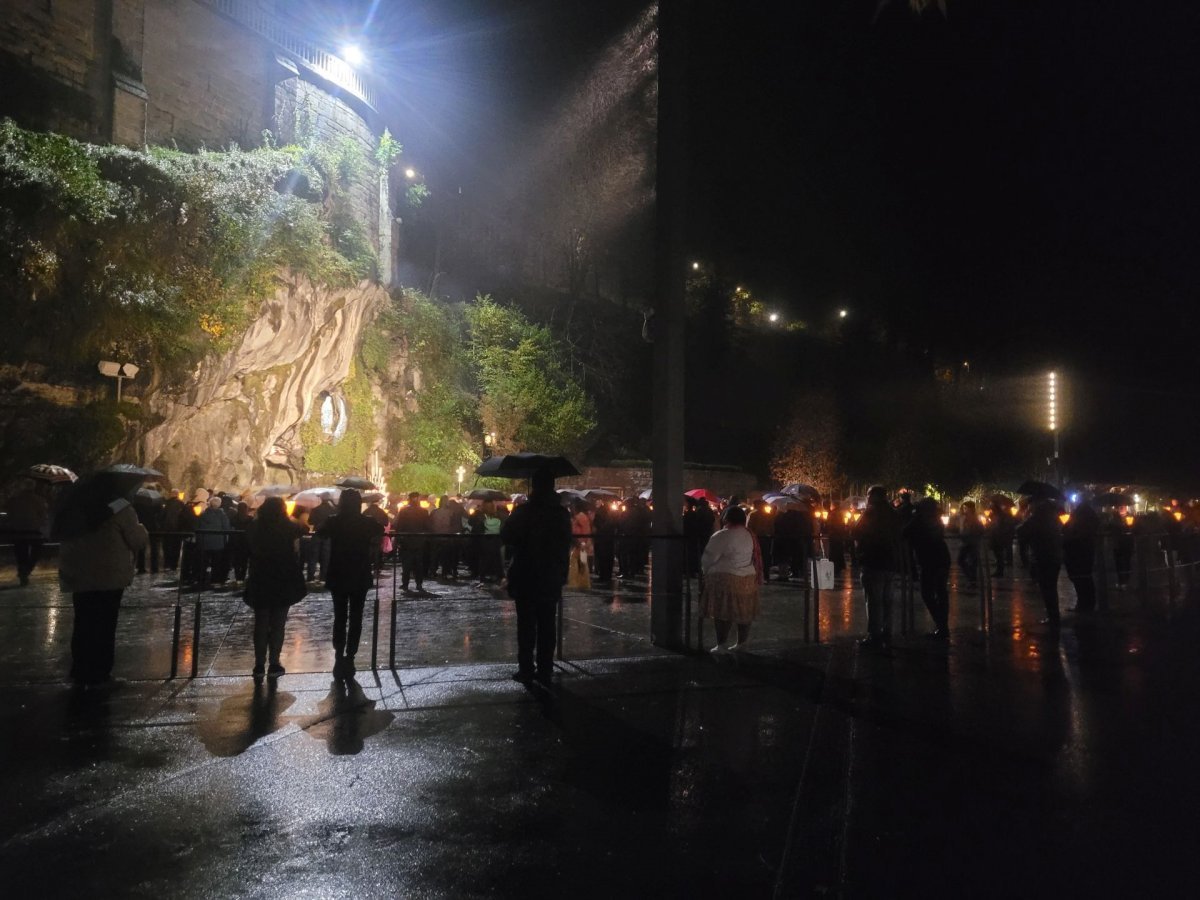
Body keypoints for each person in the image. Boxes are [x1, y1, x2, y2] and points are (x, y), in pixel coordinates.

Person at [55, 473, 149, 685]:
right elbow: (137, 540)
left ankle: (80, 669)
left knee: (83, 623)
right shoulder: (119, 509)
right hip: (108, 576)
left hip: (78, 575)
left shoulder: (73, 510)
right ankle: (101, 672)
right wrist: (142, 528)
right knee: (105, 625)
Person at [501, 469, 572, 686]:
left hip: (526, 573)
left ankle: (526, 668)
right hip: (551, 574)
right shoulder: (561, 513)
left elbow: (507, 536)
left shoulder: (524, 512)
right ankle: (545, 668)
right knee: (547, 624)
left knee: (526, 625)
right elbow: (565, 542)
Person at [318, 489, 384, 675]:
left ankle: (339, 651)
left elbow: (320, 532)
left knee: (339, 615)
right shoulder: (366, 522)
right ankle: (351, 654)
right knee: (357, 616)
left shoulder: (334, 521)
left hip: (338, 571)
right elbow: (380, 528)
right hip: (359, 571)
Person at [243, 497, 308, 679]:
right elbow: (304, 528)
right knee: (278, 623)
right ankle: (274, 662)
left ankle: (258, 663)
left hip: (260, 575)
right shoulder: (288, 526)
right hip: (282, 576)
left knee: (261, 622)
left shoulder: (254, 526)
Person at [700, 505, 762, 652]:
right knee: (745, 612)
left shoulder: (721, 535)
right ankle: (742, 642)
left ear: (726, 518)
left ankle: (721, 644)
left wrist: (705, 572)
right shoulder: (749, 534)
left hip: (725, 579)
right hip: (747, 578)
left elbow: (709, 558)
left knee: (722, 612)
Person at [855, 485, 901, 650]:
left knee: (874, 601)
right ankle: (887, 631)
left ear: (873, 497)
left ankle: (874, 635)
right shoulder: (893, 513)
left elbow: (856, 531)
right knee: (887, 600)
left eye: (868, 495)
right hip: (890, 561)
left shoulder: (871, 512)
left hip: (873, 560)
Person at [902, 498, 951, 638]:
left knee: (927, 593)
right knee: (941, 592)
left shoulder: (918, 521)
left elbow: (904, 533)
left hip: (928, 560)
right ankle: (943, 626)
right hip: (942, 557)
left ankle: (941, 624)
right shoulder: (937, 520)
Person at [1017, 499, 1064, 628]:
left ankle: (1053, 617)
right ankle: (1054, 615)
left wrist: (1025, 516)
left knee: (1047, 588)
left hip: (1043, 556)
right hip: (1055, 556)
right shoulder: (1054, 519)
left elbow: (1021, 531)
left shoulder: (1037, 519)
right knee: (1051, 587)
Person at [4, 478, 48, 585]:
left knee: (21, 554)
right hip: (34, 531)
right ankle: (27, 570)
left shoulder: (14, 500)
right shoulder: (39, 500)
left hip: (18, 531)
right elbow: (43, 516)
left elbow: (9, 514)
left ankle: (23, 570)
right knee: (36, 552)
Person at [1063, 501, 1099, 613]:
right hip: (1082, 552)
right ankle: (1086, 604)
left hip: (1077, 552)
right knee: (1084, 578)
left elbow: (1070, 532)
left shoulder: (1080, 521)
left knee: (1081, 578)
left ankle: (1085, 604)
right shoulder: (1089, 520)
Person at [392, 492, 431, 590]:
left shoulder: (404, 511)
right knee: (418, 564)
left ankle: (405, 583)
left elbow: (399, 526)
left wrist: (398, 539)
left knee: (406, 564)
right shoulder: (424, 512)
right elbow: (427, 526)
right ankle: (419, 583)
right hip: (419, 541)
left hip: (407, 541)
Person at [195, 495, 231, 587]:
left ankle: (201, 579)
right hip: (218, 543)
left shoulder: (203, 514)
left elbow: (197, 527)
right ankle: (215, 580)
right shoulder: (222, 515)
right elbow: (226, 528)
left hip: (204, 542)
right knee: (216, 563)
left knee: (203, 562)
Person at [307, 494, 337, 583]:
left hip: (317, 534)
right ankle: (323, 577)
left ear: (320, 499)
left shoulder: (316, 509)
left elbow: (310, 521)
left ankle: (310, 577)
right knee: (326, 557)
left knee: (313, 557)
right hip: (328, 536)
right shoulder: (332, 510)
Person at [567, 497, 592, 589]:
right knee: (582, 562)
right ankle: (582, 582)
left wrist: (581, 542)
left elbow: (584, 530)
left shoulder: (580, 517)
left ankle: (576, 582)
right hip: (581, 543)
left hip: (580, 543)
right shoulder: (582, 516)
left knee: (577, 562)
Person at [747, 499, 775, 580]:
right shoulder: (768, 515)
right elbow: (772, 527)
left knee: (755, 556)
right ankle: (766, 576)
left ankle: (755, 575)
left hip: (756, 538)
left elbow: (749, 527)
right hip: (767, 538)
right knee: (766, 557)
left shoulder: (752, 514)